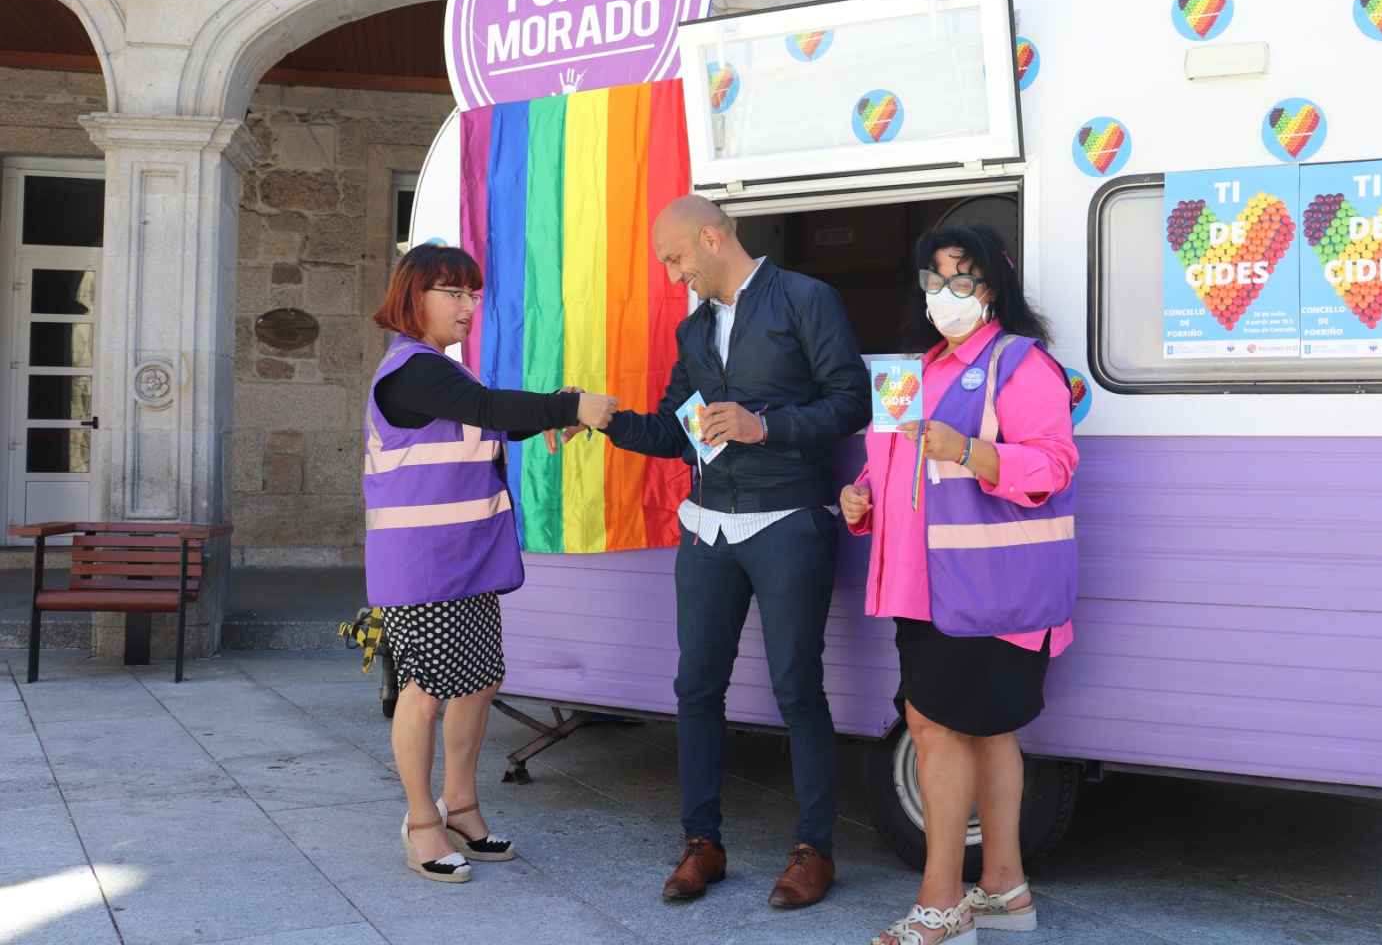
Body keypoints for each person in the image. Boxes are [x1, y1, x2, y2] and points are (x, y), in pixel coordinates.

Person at [571, 195, 869, 908]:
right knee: (695, 690)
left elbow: (851, 402)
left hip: (789, 521)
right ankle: (701, 843)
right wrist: (598, 418)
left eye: (676, 260)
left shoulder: (805, 298)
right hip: (706, 527)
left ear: (710, 237)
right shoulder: (693, 330)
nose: (676, 276)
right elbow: (678, 434)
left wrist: (764, 427)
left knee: (798, 689)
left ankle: (813, 851)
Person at [840, 225, 1079, 945]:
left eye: (963, 278)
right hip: (926, 586)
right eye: (935, 279)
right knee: (978, 731)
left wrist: (972, 451)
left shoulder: (1023, 365)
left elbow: (1055, 465)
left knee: (940, 728)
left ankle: (942, 903)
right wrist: (862, 496)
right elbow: (896, 465)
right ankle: (1003, 889)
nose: (947, 294)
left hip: (987, 588)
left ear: (995, 285)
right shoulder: (916, 370)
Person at [364, 244, 615, 883]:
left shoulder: (449, 375)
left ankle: (464, 807)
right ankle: (422, 821)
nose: (469, 306)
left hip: (467, 559)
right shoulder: (410, 371)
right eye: (454, 293)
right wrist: (570, 407)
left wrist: (555, 409)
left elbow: (491, 422)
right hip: (420, 566)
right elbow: (489, 409)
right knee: (425, 690)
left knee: (478, 681)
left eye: (473, 294)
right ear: (413, 296)